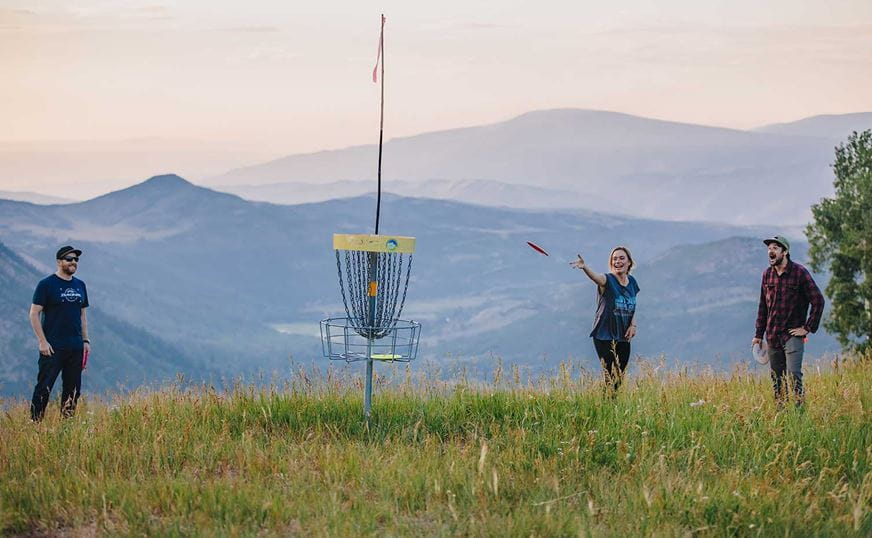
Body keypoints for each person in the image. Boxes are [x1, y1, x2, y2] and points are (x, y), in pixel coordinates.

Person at [752, 236, 824, 408]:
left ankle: (800, 416)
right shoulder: (767, 275)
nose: (771, 251)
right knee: (777, 380)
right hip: (772, 335)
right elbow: (763, 306)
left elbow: (818, 300)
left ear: (785, 252)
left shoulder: (800, 273)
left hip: (792, 335)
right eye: (769, 248)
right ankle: (781, 418)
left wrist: (807, 328)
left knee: (793, 375)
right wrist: (758, 335)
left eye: (776, 247)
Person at [29, 245, 91, 421]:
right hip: (52, 347)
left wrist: (85, 341)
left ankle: (67, 425)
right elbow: (34, 313)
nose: (73, 262)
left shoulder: (80, 285)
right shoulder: (46, 285)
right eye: (69, 259)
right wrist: (42, 341)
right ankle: (34, 425)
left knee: (73, 390)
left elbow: (82, 314)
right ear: (59, 262)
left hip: (75, 347)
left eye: (76, 259)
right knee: (44, 388)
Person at [571, 246, 639, 394]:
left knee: (619, 376)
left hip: (623, 336)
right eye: (614, 259)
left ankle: (610, 405)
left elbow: (632, 304)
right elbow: (596, 278)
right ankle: (606, 406)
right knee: (609, 375)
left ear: (629, 263)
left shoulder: (632, 282)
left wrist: (633, 325)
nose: (618, 261)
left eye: (621, 258)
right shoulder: (607, 280)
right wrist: (585, 267)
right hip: (604, 335)